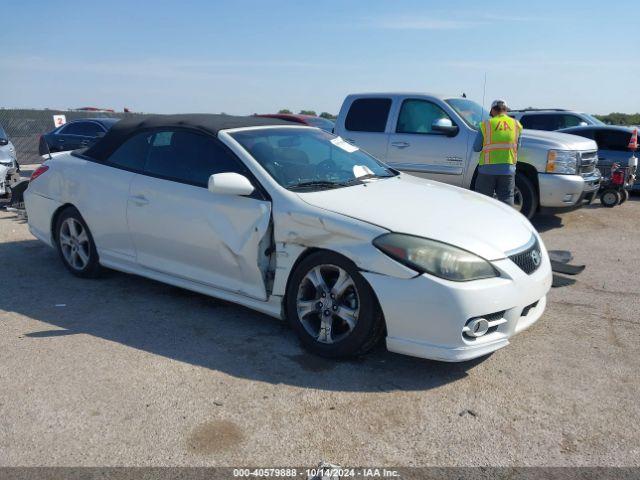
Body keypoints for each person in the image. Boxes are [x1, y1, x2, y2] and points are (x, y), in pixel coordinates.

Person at [473, 99, 522, 206]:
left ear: (493, 111)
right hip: (508, 170)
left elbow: (476, 148)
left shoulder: (486, 124)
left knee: (483, 201)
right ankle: (506, 222)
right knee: (507, 199)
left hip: (487, 170)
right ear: (505, 110)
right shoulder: (516, 125)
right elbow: (517, 147)